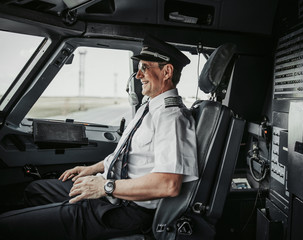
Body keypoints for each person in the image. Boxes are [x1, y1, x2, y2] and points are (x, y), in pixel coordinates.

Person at [0, 35, 198, 240]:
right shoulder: (148, 106)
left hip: (125, 209)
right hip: (112, 192)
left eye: (145, 67)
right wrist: (92, 170)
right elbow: (131, 154)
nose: (138, 75)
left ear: (167, 72)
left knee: (7, 227)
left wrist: (104, 187)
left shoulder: (172, 118)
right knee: (36, 191)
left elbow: (168, 184)